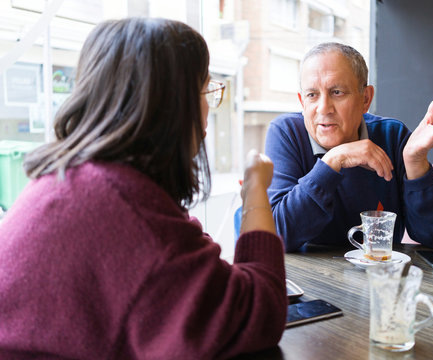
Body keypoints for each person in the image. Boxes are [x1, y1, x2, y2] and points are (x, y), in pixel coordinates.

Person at [0, 18, 287, 359]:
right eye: (205, 89)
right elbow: (260, 312)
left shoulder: (72, 179)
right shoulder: (125, 208)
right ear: (170, 103)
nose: (209, 105)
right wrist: (255, 187)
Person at [265, 42, 433, 252]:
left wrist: (416, 164)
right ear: (302, 101)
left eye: (337, 92)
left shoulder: (392, 136)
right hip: (306, 282)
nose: (323, 108)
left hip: (379, 277)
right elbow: (276, 235)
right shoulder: (286, 133)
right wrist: (334, 160)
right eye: (312, 95)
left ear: (365, 98)